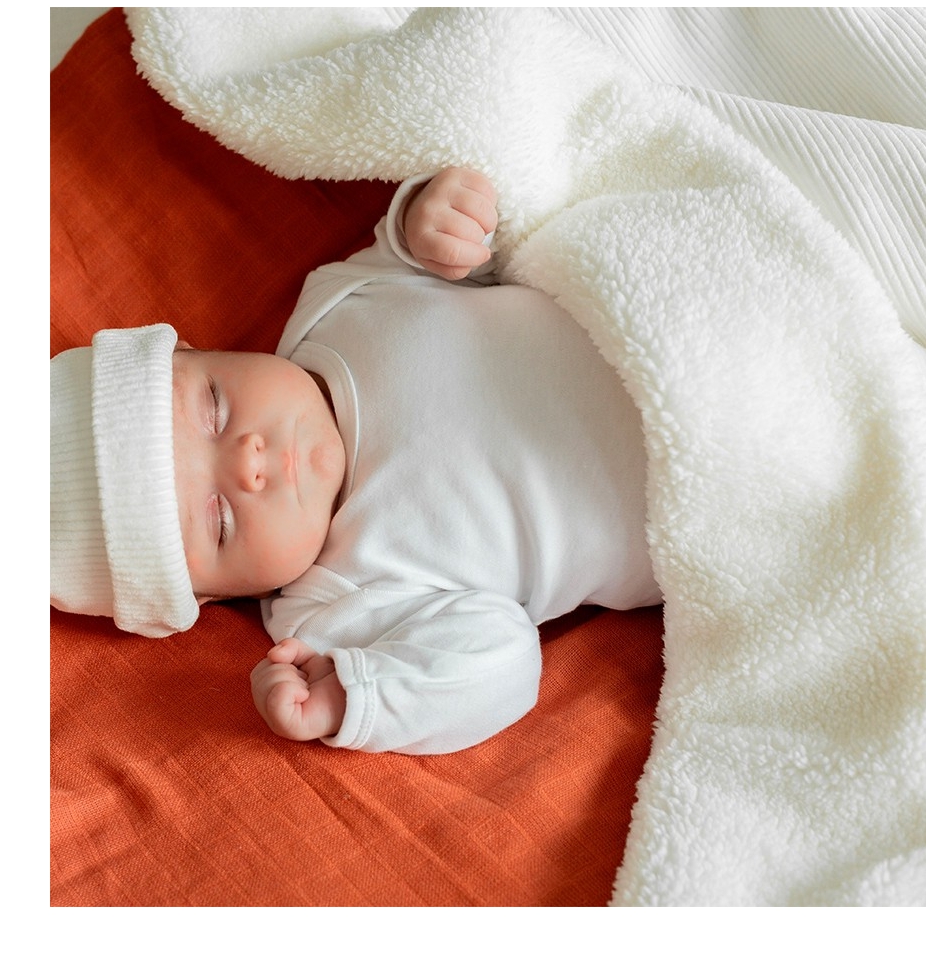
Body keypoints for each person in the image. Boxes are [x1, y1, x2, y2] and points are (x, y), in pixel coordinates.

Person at [50, 168, 660, 754]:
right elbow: (504, 664)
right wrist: (359, 694)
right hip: (700, 515)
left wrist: (429, 218)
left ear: (196, 349)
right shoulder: (331, 612)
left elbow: (449, 252)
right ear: (209, 597)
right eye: (219, 521)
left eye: (213, 408)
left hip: (658, 319)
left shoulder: (338, 309)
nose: (248, 463)